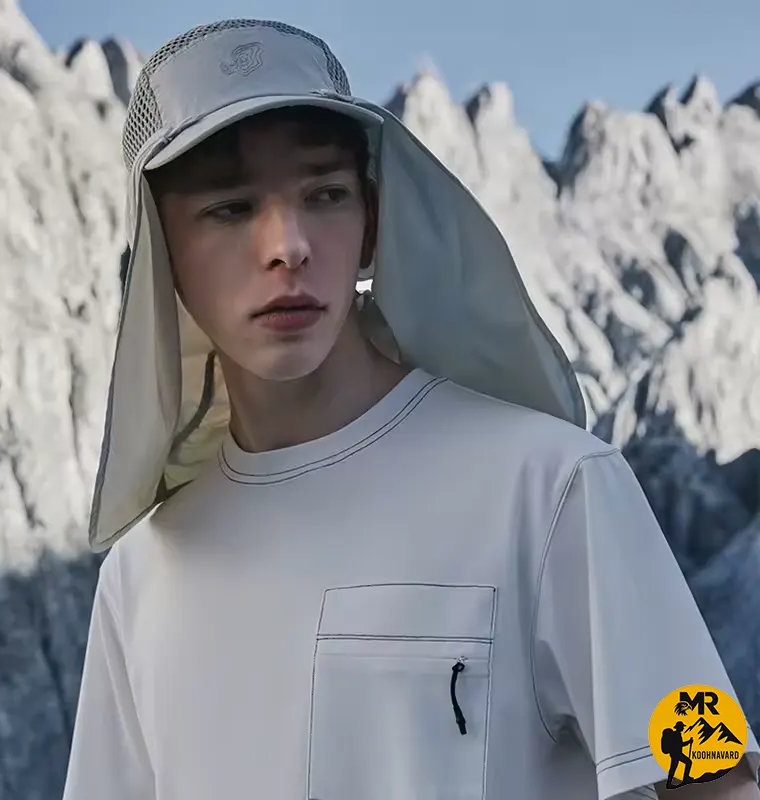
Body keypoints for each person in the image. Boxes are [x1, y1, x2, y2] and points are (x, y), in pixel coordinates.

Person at [62, 18, 760, 800]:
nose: (287, 245)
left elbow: (717, 779)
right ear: (161, 256)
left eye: (324, 195)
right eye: (230, 207)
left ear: (371, 223)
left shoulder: (556, 489)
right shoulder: (142, 575)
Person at [665, 721, 694, 788]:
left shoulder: (676, 734)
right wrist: (689, 742)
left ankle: (669, 783)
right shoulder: (676, 735)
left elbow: (679, 744)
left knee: (673, 768)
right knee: (688, 762)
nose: (683, 728)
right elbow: (680, 744)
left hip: (675, 753)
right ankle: (685, 778)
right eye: (682, 727)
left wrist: (688, 742)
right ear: (679, 727)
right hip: (677, 754)